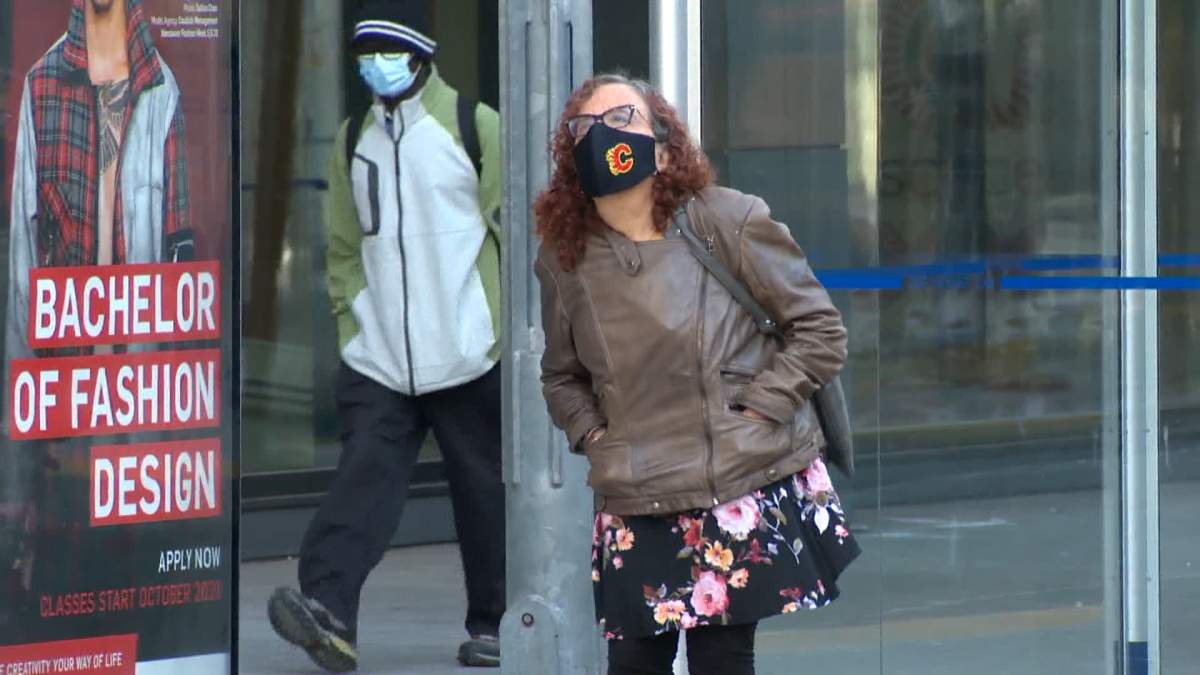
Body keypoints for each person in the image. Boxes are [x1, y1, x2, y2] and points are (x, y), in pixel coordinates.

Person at [533, 74, 861, 675]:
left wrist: (759, 409)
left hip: (733, 478)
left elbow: (819, 330)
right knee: (633, 661)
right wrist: (596, 437)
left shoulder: (726, 219)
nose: (606, 136)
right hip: (636, 489)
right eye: (587, 126)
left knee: (723, 658)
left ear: (662, 147)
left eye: (623, 120)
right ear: (569, 152)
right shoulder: (563, 256)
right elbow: (561, 376)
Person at [267, 1, 506, 671]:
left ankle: (493, 621)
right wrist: (353, 324)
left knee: (483, 494)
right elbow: (344, 247)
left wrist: (500, 327)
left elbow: (516, 232)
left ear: (420, 55)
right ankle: (328, 610)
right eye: (364, 56)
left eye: (387, 53)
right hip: (379, 360)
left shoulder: (473, 126)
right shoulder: (352, 139)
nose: (374, 65)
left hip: (467, 352)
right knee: (360, 484)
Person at [2, 0, 192, 637]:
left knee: (132, 564)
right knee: (66, 561)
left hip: (139, 386)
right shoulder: (42, 84)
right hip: (68, 375)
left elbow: (178, 254)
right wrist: (20, 397)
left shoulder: (162, 88)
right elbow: (23, 257)